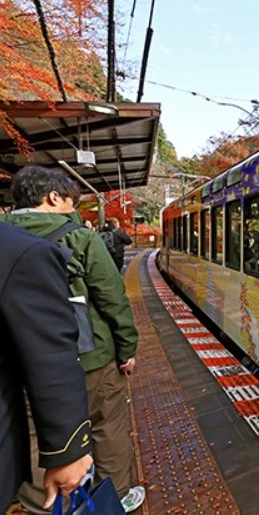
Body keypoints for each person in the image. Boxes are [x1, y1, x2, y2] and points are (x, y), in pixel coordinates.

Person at [1, 166, 144, 513]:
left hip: (21, 363)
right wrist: (127, 348)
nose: (73, 210)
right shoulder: (82, 237)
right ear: (53, 197)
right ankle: (116, 498)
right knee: (107, 428)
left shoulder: (6, 238)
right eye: (70, 202)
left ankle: (44, 505)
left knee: (36, 434)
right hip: (91, 357)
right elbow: (112, 298)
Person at [0, 221, 94, 512]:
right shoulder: (18, 249)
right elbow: (51, 353)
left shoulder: (17, 248)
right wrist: (69, 453)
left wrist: (67, 451)